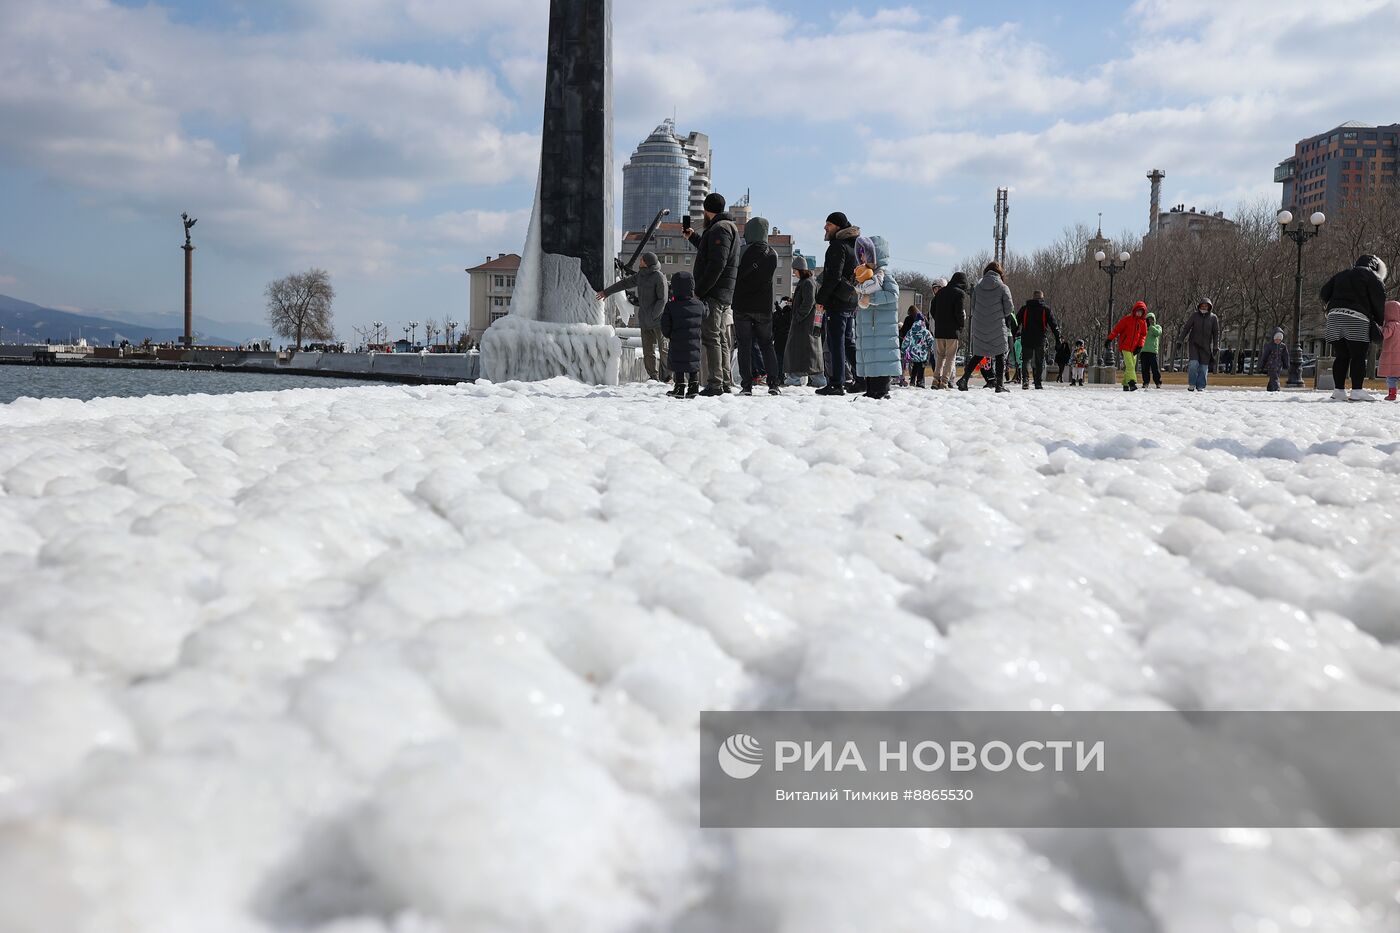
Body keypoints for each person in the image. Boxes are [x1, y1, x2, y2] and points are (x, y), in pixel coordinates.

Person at [681, 192, 741, 396]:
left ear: (706, 210)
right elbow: (713, 253)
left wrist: (699, 291)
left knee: (712, 337)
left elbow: (717, 264)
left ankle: (715, 383)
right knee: (721, 337)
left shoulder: (719, 229)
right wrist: (693, 237)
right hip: (724, 292)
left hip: (715, 293)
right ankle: (724, 382)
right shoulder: (727, 227)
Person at [1321, 255, 1388, 402]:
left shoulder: (1342, 274)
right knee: (1358, 355)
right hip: (1357, 318)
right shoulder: (1372, 277)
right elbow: (1379, 300)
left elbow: (1324, 293)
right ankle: (1357, 390)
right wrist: (1378, 321)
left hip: (1334, 318)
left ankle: (1338, 390)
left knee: (1341, 355)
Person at [596, 251, 669, 382]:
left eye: (642, 260)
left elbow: (662, 300)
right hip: (645, 320)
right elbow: (624, 284)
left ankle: (667, 377)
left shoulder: (659, 277)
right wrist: (606, 292)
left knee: (663, 349)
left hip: (658, 321)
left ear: (647, 263)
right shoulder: (641, 275)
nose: (640, 261)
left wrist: (654, 315)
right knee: (648, 350)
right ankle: (653, 377)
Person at [731, 217, 782, 396]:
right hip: (763, 306)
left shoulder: (741, 251)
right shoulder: (773, 253)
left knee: (744, 345)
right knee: (767, 345)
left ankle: (746, 385)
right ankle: (773, 383)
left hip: (742, 305)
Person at [814, 212, 861, 396]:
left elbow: (833, 276)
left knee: (836, 342)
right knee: (848, 342)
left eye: (829, 224)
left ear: (838, 227)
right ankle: (861, 378)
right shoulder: (854, 245)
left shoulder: (837, 246)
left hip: (837, 301)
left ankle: (836, 383)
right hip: (851, 299)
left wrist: (821, 300)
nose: (825, 227)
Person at [853, 235, 902, 399]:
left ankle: (881, 390)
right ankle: (871, 389)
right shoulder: (865, 275)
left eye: (864, 253)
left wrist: (871, 298)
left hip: (881, 328)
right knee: (869, 359)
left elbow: (893, 294)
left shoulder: (883, 275)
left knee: (881, 359)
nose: (861, 257)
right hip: (868, 327)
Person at [958, 262, 1016, 394]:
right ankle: (999, 385)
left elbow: (973, 306)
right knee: (1000, 354)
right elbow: (1009, 308)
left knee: (978, 354)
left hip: (980, 325)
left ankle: (964, 379)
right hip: (997, 325)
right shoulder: (1003, 287)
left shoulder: (978, 287)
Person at [660, 271, 705, 399]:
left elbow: (665, 325)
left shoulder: (671, 306)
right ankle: (693, 386)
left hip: (677, 342)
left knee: (678, 363)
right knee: (693, 363)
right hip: (694, 342)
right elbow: (706, 314)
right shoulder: (699, 305)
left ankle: (679, 387)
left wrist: (670, 335)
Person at [785, 257, 826, 387]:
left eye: (795, 270)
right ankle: (817, 380)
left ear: (801, 270)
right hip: (806, 324)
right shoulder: (808, 282)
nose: (794, 273)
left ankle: (795, 379)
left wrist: (797, 317)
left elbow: (808, 302)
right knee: (810, 354)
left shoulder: (807, 283)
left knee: (801, 352)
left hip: (804, 325)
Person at [1015, 290, 1062, 390]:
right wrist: (1058, 339)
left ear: (1033, 297)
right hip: (1040, 339)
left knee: (1025, 360)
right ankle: (1037, 382)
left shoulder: (1025, 308)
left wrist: (1013, 336)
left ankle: (1025, 380)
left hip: (1026, 338)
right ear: (1042, 298)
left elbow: (1016, 324)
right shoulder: (1045, 309)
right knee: (1039, 361)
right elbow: (1054, 326)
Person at [931, 272, 967, 389]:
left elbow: (932, 310)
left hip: (939, 331)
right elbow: (959, 312)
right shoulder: (959, 293)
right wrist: (961, 326)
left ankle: (935, 380)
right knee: (950, 358)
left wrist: (939, 321)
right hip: (952, 331)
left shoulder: (940, 292)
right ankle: (944, 382)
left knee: (940, 356)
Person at [1177, 299, 1220, 393]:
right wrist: (1180, 340)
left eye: (1206, 306)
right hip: (1194, 344)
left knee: (1203, 368)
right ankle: (1192, 384)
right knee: (1193, 364)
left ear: (1209, 307)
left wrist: (1215, 346)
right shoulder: (1194, 316)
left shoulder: (1213, 318)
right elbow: (1186, 328)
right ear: (1199, 306)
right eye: (1202, 305)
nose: (1204, 307)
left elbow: (1216, 333)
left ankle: (1200, 386)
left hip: (1206, 347)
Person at [1106, 301, 1149, 392]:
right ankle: (1132, 382)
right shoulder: (1127, 319)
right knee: (1130, 365)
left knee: (1131, 365)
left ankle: (1125, 383)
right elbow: (1117, 329)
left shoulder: (1143, 323)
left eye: (1141, 312)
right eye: (1138, 311)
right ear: (1134, 311)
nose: (1139, 313)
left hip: (1134, 348)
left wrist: (1140, 346)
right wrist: (1109, 339)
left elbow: (1143, 335)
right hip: (1125, 346)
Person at [901, 312, 935, 388]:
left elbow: (906, 341)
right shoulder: (926, 332)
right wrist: (932, 350)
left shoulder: (911, 331)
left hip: (913, 353)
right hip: (923, 354)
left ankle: (912, 380)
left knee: (915, 367)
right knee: (921, 368)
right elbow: (931, 341)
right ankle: (920, 381)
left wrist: (903, 349)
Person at [1259, 327, 1290, 393]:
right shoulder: (1269, 346)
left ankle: (1270, 389)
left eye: (1279, 339)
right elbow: (1265, 356)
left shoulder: (1283, 346)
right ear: (1273, 338)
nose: (1278, 341)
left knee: (1274, 378)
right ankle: (1276, 389)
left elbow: (1285, 356)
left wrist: (1286, 365)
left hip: (1279, 366)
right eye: (1276, 339)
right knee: (1275, 377)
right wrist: (1261, 365)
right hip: (1271, 366)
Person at [1380, 300, 1400, 401]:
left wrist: (1381, 329)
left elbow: (1384, 335)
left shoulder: (1391, 325)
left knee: (1391, 378)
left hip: (1392, 359)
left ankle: (1392, 394)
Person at [1140, 312, 1163, 389]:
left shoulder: (1157, 327)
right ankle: (1146, 382)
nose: (1150, 321)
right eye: (1148, 319)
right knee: (1145, 369)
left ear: (1154, 320)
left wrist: (1151, 327)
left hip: (1153, 351)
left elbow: (1158, 333)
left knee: (1155, 368)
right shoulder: (1144, 328)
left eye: (1151, 319)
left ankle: (1158, 382)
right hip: (1144, 351)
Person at [773, 296, 792, 386]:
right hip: (781, 339)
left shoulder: (790, 313)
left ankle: (782, 378)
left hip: (784, 339)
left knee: (782, 359)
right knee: (780, 359)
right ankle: (781, 377)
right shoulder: (778, 313)